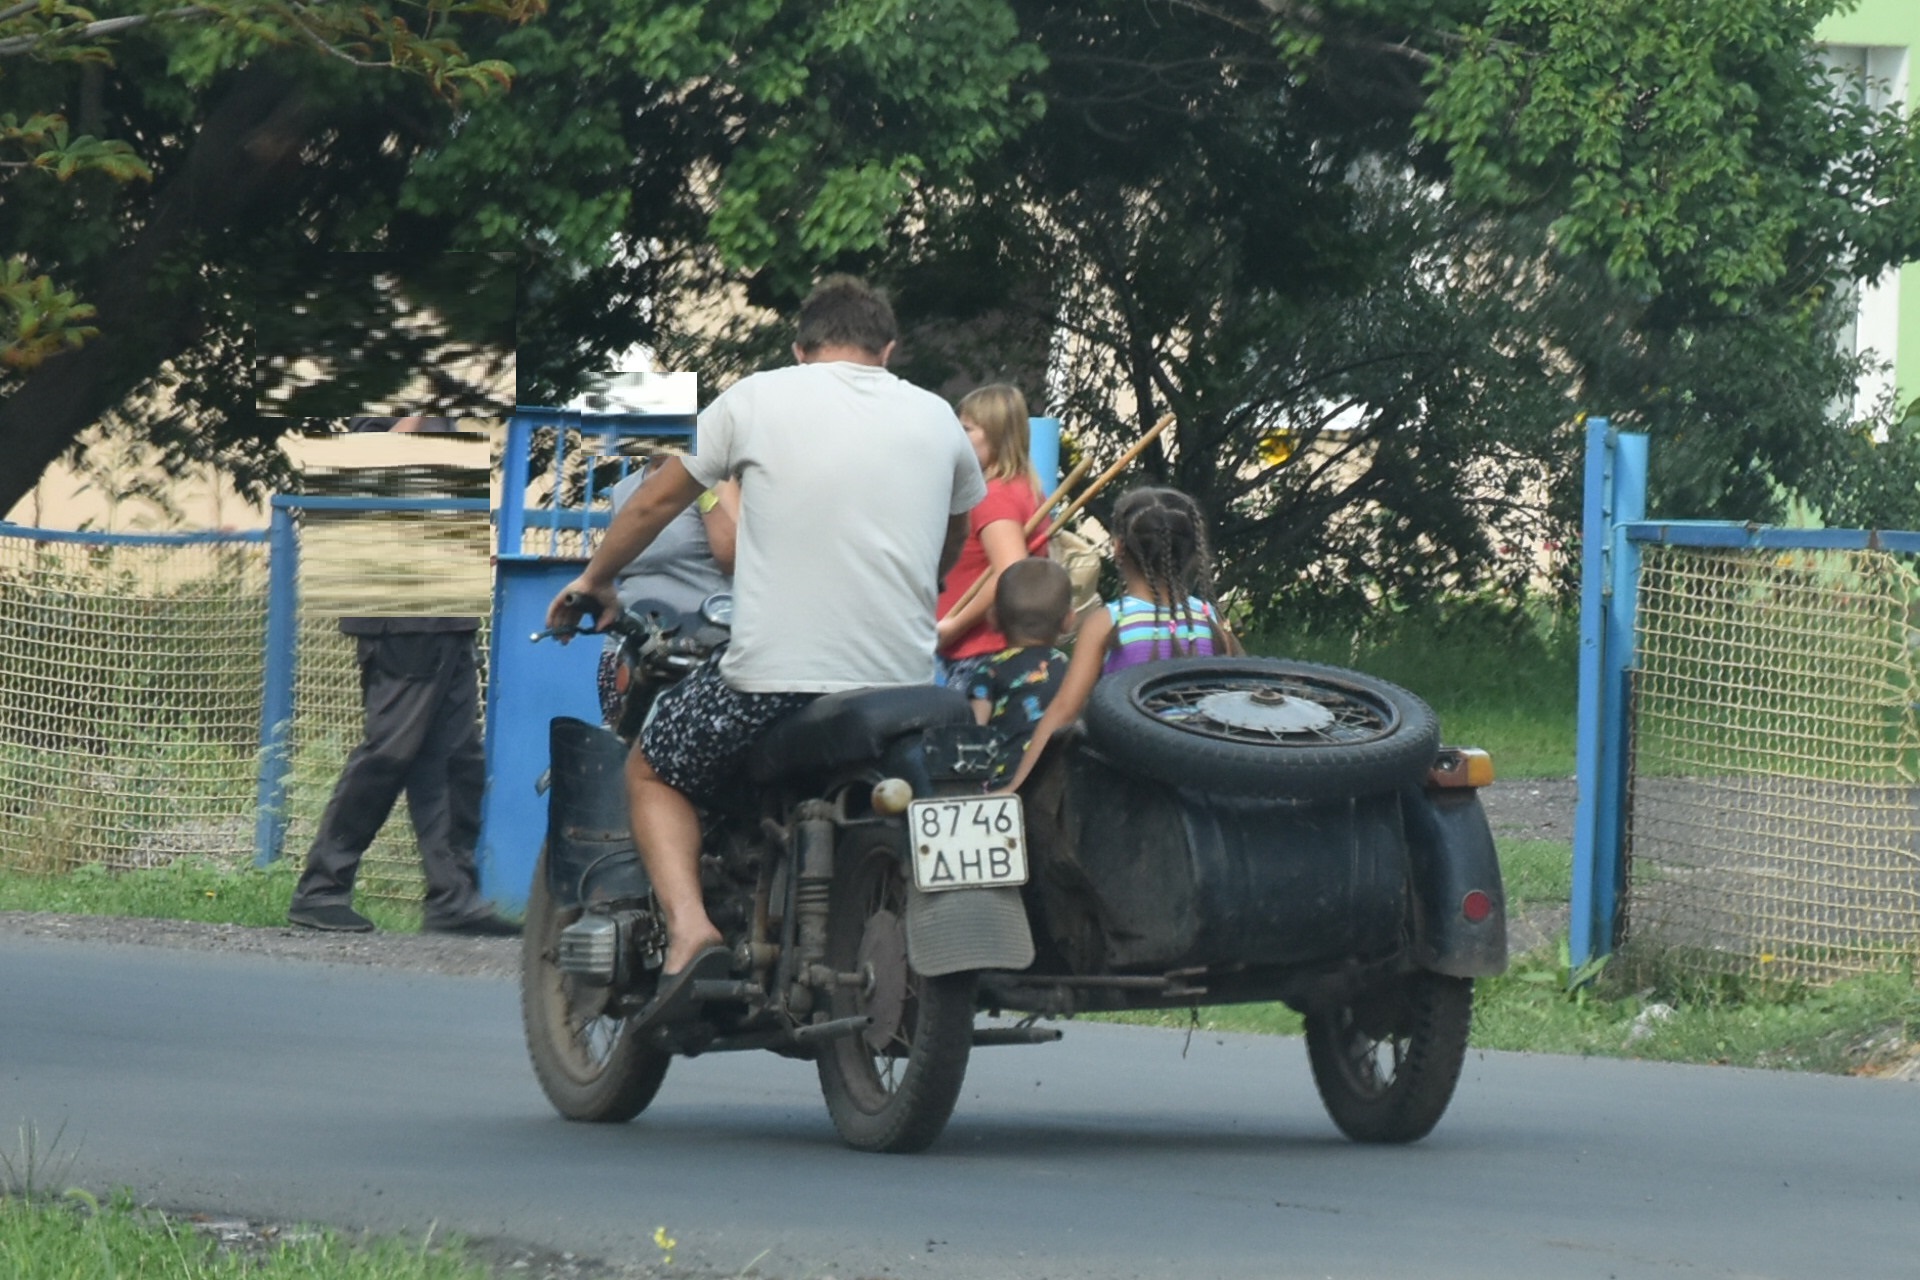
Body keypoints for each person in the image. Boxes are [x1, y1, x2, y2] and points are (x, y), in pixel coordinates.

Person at [546, 275, 986, 1020]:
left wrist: (595, 579)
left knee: (653, 765)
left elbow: (656, 500)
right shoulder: (939, 417)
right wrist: (926, 582)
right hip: (908, 683)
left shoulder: (757, 398)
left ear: (800, 347)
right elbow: (954, 531)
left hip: (779, 678)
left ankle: (689, 933)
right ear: (889, 349)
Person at [288, 417, 517, 935]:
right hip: (402, 607)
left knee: (457, 758)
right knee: (390, 750)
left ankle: (453, 897)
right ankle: (321, 888)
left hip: (448, 609)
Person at [1000, 486, 1238, 792]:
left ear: (1117, 547)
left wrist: (1019, 785)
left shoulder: (1110, 621)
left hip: (1129, 768)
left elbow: (1065, 710)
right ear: (1193, 551)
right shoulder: (1209, 619)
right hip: (1201, 763)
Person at [595, 456, 739, 725]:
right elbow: (615, 567)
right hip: (630, 650)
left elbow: (731, 555)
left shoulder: (712, 477)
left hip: (695, 653)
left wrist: (703, 490)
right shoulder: (623, 489)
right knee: (619, 752)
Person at [934, 384, 1048, 687]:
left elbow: (1010, 571)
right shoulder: (1023, 488)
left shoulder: (994, 496)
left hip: (981, 651)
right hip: (995, 648)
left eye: (967, 429)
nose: (958, 438)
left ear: (996, 435)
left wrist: (955, 626)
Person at [965, 557, 1075, 773]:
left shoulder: (990, 670)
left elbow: (975, 732)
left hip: (1004, 782)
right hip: (1060, 779)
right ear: (1068, 621)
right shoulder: (1070, 668)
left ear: (993, 619)